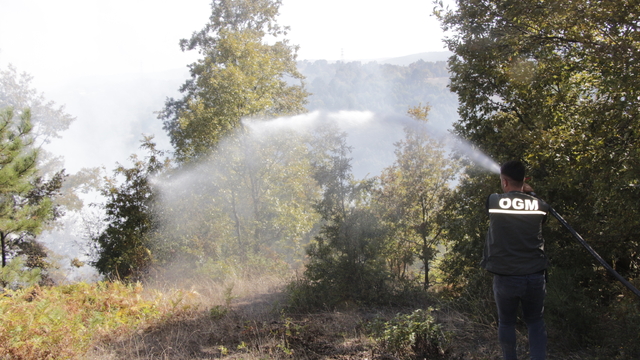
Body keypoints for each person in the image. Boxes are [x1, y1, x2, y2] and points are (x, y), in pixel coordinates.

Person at [482, 160, 550, 360]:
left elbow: (502, 204)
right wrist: (530, 193)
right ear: (525, 180)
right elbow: (541, 215)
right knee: (536, 321)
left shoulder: (494, 201)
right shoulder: (540, 205)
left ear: (504, 182)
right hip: (535, 275)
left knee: (506, 323)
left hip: (506, 276)